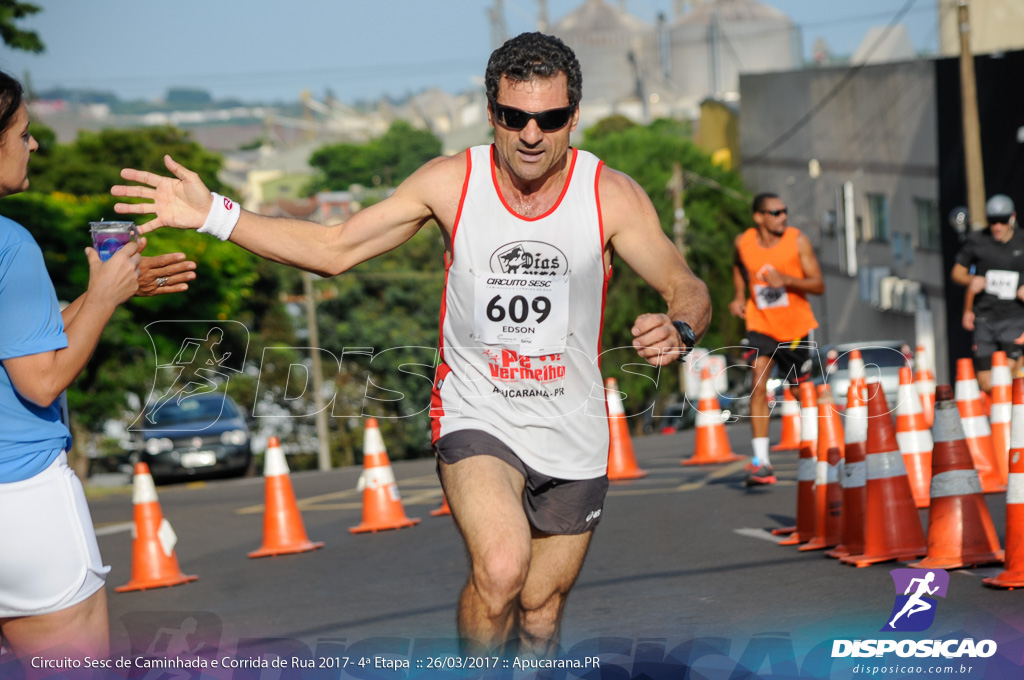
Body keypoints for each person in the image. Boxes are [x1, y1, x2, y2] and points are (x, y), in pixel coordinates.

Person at [111, 32, 711, 656]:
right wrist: (216, 215)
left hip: (573, 427)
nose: (531, 134)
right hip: (479, 412)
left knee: (539, 611)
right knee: (501, 571)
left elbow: (683, 282)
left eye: (550, 118)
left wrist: (682, 326)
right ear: (491, 114)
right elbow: (334, 247)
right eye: (514, 117)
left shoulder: (608, 194)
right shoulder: (452, 183)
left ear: (573, 118)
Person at [0, 71, 196, 669]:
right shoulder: (10, 244)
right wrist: (105, 299)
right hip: (22, 501)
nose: (33, 146)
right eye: (25, 133)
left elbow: (18, 341)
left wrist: (106, 292)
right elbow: (40, 379)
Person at [729, 193, 824, 486]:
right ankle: (761, 463)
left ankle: (822, 449)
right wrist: (739, 296)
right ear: (758, 217)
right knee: (759, 383)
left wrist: (787, 280)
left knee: (800, 392)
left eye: (784, 211)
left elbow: (818, 284)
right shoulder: (743, 242)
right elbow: (738, 265)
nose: (783, 216)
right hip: (761, 324)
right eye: (775, 212)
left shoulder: (797, 241)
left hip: (795, 328)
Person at [952, 194, 1024, 391]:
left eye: (1002, 221)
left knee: (1006, 375)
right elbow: (957, 273)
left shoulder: (1021, 241)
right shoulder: (978, 241)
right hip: (985, 318)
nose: (997, 227)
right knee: (987, 383)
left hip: (1014, 317)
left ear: (1012, 218)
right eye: (993, 221)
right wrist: (971, 280)